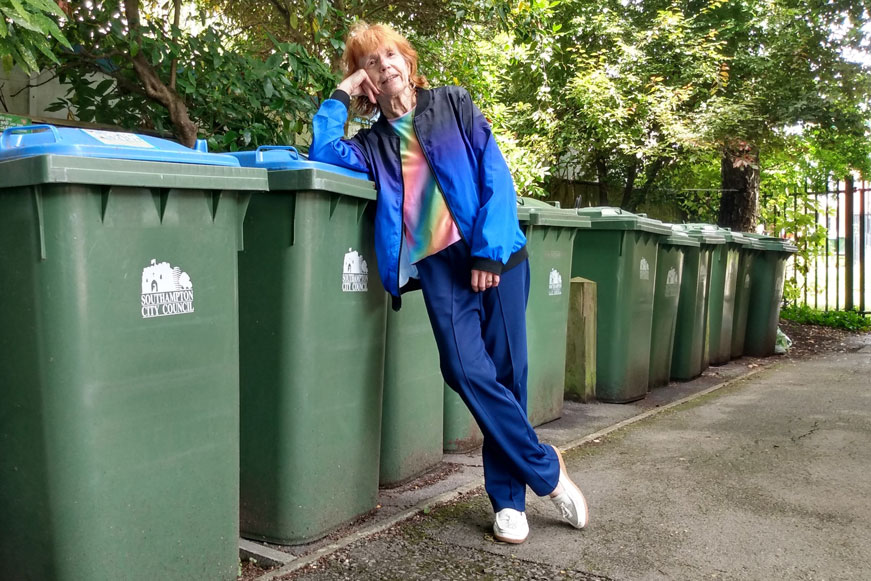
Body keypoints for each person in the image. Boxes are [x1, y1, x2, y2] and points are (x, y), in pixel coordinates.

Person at [309, 21, 588, 544]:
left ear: (408, 64)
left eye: (391, 55)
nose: (385, 64)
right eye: (371, 62)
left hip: (494, 253)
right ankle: (545, 469)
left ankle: (508, 501)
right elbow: (321, 152)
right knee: (463, 369)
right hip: (437, 265)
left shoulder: (453, 105)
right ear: (365, 79)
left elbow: (495, 175)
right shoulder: (370, 146)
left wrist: (489, 252)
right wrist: (339, 95)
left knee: (506, 373)